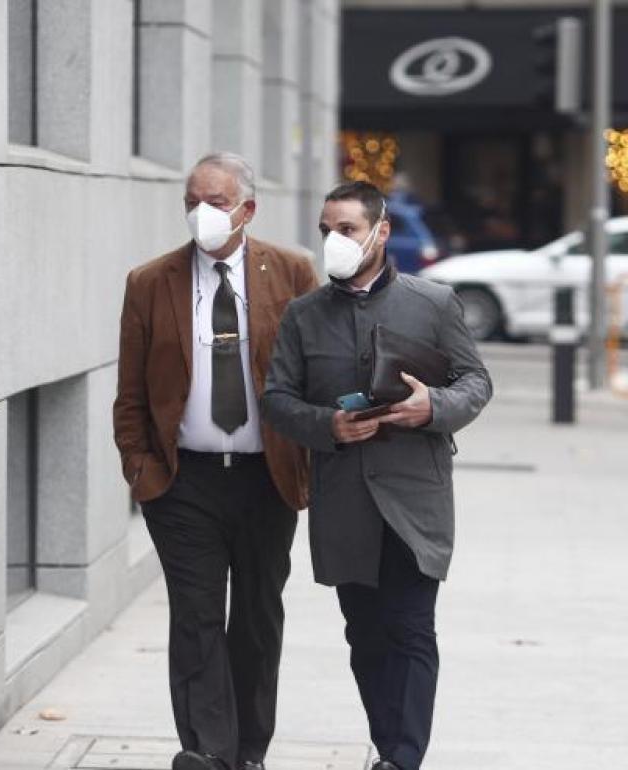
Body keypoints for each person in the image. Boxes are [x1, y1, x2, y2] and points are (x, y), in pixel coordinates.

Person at [262, 181, 493, 770]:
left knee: (412, 628)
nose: (334, 241)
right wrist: (328, 425)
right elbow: (277, 399)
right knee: (365, 634)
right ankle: (391, 747)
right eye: (327, 231)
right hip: (345, 502)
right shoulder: (304, 315)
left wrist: (433, 407)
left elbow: (475, 382)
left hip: (416, 500)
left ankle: (401, 759)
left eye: (347, 229)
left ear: (381, 232)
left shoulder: (434, 303)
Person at [113, 152, 318, 770]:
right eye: (192, 201)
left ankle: (249, 750)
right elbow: (130, 394)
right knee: (196, 617)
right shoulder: (150, 282)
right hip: (184, 482)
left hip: (266, 478)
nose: (201, 212)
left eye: (217, 201)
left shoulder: (292, 272)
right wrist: (142, 471)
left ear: (247, 209)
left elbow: (316, 374)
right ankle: (208, 750)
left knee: (257, 617)